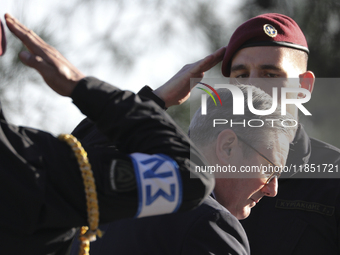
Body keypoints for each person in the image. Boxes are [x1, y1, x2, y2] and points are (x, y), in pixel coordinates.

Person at [0, 13, 217, 255]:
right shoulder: (28, 166)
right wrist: (81, 86)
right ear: (2, 39)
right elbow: (189, 176)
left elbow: (79, 161)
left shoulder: (32, 164)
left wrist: (150, 101)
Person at [70, 81, 296, 254]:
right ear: (228, 148)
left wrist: (155, 99)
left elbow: (80, 155)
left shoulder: (121, 193)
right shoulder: (210, 225)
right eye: (270, 169)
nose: (272, 189)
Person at [220, 13, 340, 255]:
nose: (251, 87)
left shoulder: (333, 180)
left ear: (303, 87)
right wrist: (158, 100)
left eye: (270, 75)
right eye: (241, 75)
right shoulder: (200, 169)